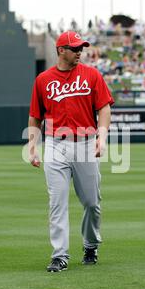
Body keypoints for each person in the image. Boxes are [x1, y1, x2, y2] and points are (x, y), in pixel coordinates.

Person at [28, 31, 114, 272]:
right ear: (60, 50)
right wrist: (33, 147)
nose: (79, 52)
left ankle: (90, 244)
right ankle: (59, 254)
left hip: (86, 142)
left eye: (81, 48)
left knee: (91, 202)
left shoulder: (92, 75)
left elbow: (104, 108)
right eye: (74, 48)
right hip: (55, 144)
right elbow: (35, 117)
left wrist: (102, 135)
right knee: (57, 202)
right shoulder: (43, 80)